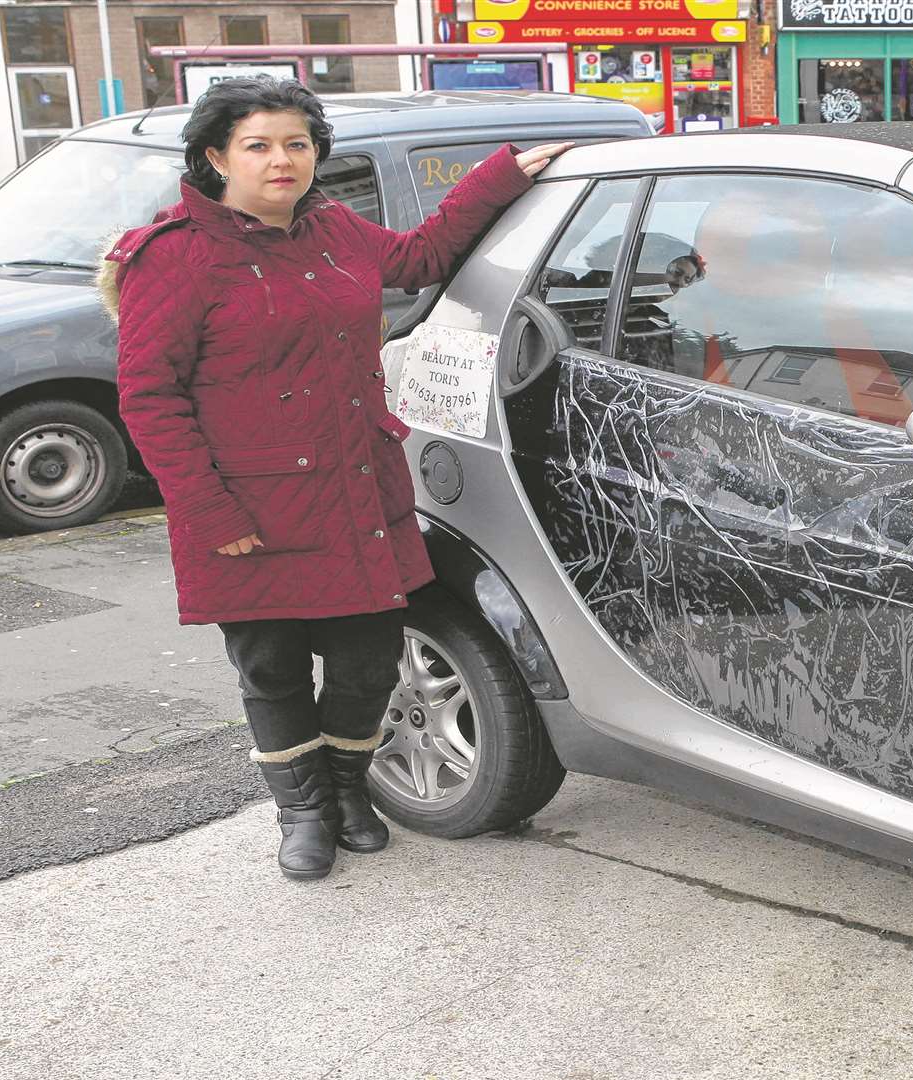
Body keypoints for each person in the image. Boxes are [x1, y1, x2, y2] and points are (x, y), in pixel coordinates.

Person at [97, 77, 568, 880]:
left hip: (355, 493)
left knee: (367, 664)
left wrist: (504, 175)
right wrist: (210, 513)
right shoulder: (172, 257)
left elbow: (419, 258)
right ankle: (304, 812)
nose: (282, 160)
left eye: (297, 143)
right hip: (245, 510)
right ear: (216, 158)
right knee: (272, 669)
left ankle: (349, 789)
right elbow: (149, 398)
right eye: (258, 145)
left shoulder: (335, 229)